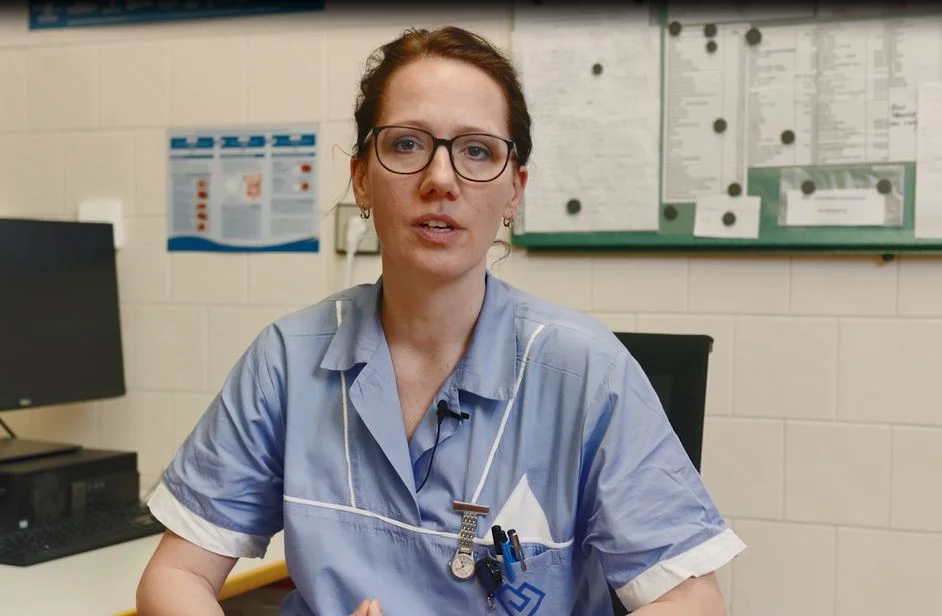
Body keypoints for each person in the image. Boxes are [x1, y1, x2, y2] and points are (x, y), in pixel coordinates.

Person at [136, 25, 745, 616]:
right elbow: (176, 575)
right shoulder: (287, 361)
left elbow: (690, 598)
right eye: (407, 144)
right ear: (361, 178)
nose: (440, 179)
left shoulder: (589, 372)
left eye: (477, 150)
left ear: (514, 193)